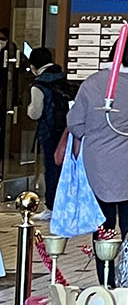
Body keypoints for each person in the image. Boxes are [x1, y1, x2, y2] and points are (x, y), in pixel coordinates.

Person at [64, 30, 128, 279]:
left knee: (103, 227)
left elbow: (76, 124)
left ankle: (105, 280)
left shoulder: (92, 83)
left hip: (99, 166)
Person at [27, 47, 70, 213]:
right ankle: (65, 204)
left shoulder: (39, 85)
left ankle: (51, 207)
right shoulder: (63, 78)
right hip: (67, 132)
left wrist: (28, 109)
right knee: (65, 168)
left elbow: (35, 113)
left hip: (49, 132)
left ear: (33, 66)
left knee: (51, 169)